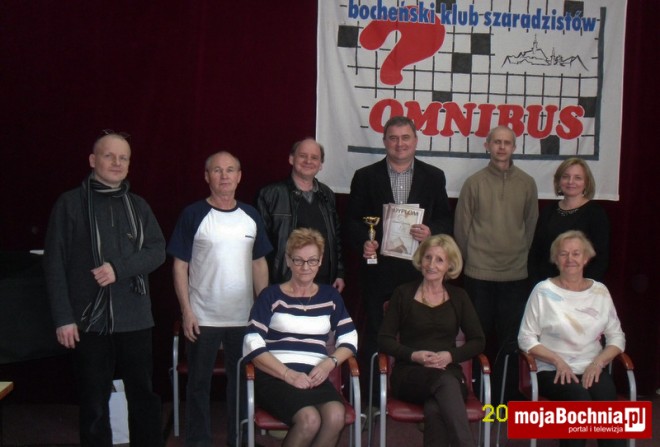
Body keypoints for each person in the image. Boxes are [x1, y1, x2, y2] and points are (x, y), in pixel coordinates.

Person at [43, 130, 166, 447]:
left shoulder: (138, 206)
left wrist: (118, 269)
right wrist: (63, 318)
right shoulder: (70, 204)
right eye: (109, 156)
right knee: (93, 401)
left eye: (123, 157)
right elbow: (54, 264)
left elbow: (157, 251)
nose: (117, 163)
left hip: (135, 318)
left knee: (143, 396)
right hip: (88, 321)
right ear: (92, 160)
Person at [167, 151, 272, 447]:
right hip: (203, 318)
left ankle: (237, 439)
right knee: (198, 384)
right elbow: (180, 266)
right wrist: (186, 311)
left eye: (230, 170)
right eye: (217, 170)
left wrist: (263, 310)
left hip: (244, 318)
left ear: (239, 176)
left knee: (240, 384)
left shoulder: (250, 215)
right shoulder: (193, 214)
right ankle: (198, 441)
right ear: (207, 176)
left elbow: (259, 263)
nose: (224, 175)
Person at [346, 115, 453, 377]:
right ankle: (374, 393)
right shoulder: (365, 176)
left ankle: (413, 385)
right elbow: (351, 221)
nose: (399, 143)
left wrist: (431, 231)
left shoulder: (434, 176)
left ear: (416, 141)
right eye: (393, 138)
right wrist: (364, 242)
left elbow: (446, 220)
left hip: (420, 271)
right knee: (376, 334)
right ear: (384, 141)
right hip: (378, 272)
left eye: (405, 137)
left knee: (418, 334)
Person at [243, 228, 358, 446]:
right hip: (276, 376)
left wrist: (329, 364)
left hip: (314, 377)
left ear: (320, 261)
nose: (305, 267)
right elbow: (252, 343)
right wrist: (288, 374)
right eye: (298, 260)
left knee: (336, 415)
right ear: (288, 260)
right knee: (309, 419)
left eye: (312, 261)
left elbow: (350, 338)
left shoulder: (330, 296)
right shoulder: (271, 295)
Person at [518, 230, 626, 447]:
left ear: (586, 258)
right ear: (555, 259)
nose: (570, 259)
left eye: (576, 253)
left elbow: (617, 337)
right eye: (563, 254)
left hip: (592, 367)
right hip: (553, 370)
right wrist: (557, 361)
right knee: (579, 402)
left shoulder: (600, 292)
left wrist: (598, 363)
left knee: (607, 403)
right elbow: (525, 338)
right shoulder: (542, 291)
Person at [378, 234, 485, 447]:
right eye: (428, 257)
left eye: (439, 260)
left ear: (450, 266)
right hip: (409, 374)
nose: (431, 265)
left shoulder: (459, 297)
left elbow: (478, 341)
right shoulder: (403, 293)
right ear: (420, 259)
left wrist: (450, 356)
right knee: (445, 384)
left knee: (436, 408)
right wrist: (413, 355)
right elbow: (384, 339)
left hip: (448, 372)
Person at [256, 138, 345, 291]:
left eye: (314, 157)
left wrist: (339, 272)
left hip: (323, 283)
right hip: (284, 283)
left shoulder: (327, 195)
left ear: (321, 164)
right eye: (303, 156)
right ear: (291, 159)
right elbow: (260, 246)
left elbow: (335, 238)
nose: (308, 161)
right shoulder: (270, 195)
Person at [528, 157, 610, 285]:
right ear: (558, 181)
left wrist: (580, 287)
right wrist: (538, 285)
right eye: (566, 177)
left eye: (578, 177)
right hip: (547, 286)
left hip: (580, 288)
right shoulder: (548, 211)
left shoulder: (595, 213)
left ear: (586, 182)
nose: (571, 182)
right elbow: (535, 253)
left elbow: (601, 258)